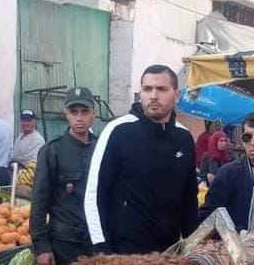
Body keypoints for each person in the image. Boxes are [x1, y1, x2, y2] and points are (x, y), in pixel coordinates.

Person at [84, 65, 198, 254]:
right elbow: (94, 194)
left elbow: (189, 201)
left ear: (176, 95)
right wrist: (101, 248)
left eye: (161, 89)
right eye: (147, 89)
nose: (153, 95)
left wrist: (192, 249)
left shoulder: (184, 138)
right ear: (140, 94)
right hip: (123, 250)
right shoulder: (118, 130)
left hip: (168, 253)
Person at [31, 88, 98, 265]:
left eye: (84, 112)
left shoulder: (101, 148)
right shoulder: (53, 151)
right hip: (64, 243)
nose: (79, 118)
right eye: (73, 112)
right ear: (66, 114)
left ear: (94, 113)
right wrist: (41, 247)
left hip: (96, 241)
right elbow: (39, 202)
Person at [198, 112, 254, 231]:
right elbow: (208, 217)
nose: (253, 143)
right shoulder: (229, 173)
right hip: (239, 247)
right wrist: (239, 234)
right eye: (247, 137)